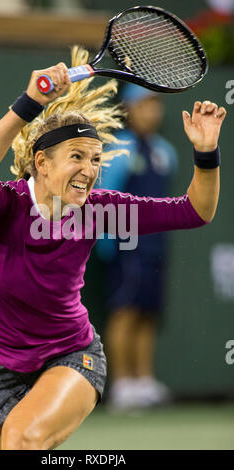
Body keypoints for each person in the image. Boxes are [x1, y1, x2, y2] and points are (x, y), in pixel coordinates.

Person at [0, 45, 226, 450]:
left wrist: (206, 153)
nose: (89, 169)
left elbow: (196, 211)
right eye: (77, 156)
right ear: (42, 163)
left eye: (96, 158)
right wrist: (29, 103)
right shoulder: (3, 206)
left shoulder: (100, 210)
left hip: (68, 354)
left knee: (23, 439)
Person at [95, 84, 178, 410]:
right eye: (144, 106)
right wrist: (105, 241)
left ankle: (143, 381)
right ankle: (123, 384)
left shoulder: (165, 152)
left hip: (155, 246)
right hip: (125, 244)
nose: (152, 112)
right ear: (129, 110)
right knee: (125, 311)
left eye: (155, 105)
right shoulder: (118, 150)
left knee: (148, 313)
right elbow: (102, 198)